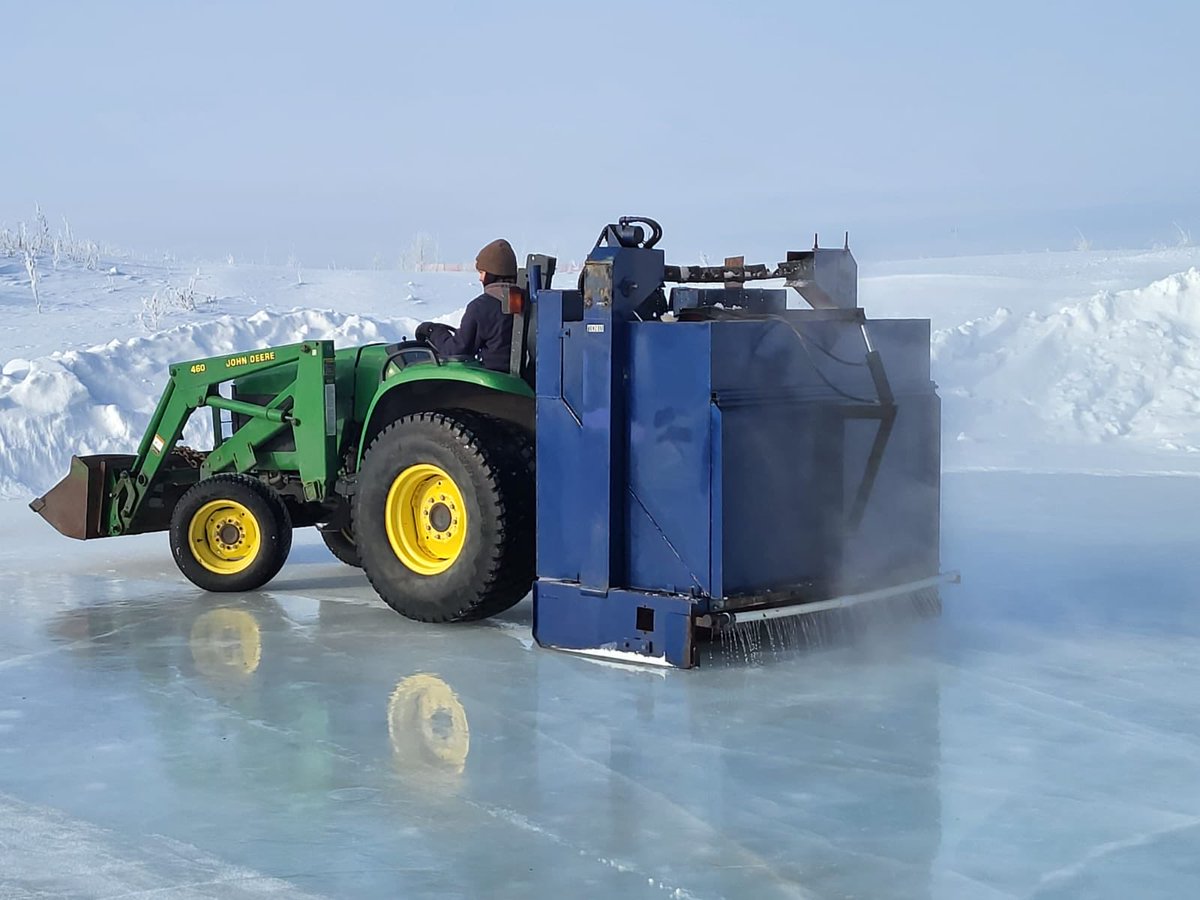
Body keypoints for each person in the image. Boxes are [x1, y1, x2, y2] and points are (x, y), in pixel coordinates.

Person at [415, 238, 519, 372]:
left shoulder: (481, 307)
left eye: (482, 273)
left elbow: (456, 351)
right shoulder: (527, 302)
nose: (480, 278)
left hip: (493, 381)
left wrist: (433, 332)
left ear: (491, 275)